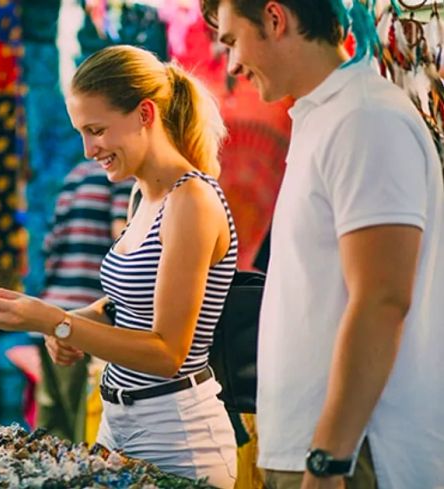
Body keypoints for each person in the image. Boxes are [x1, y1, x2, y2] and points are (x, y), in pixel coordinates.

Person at [201, 1, 444, 488]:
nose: (230, 64)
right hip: (323, 452)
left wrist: (328, 458)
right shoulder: (328, 116)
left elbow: (382, 298)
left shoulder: (365, 119)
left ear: (275, 18)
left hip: (356, 457)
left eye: (231, 40)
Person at [0, 44, 238, 487]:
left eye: (96, 130)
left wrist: (58, 323)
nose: (88, 149)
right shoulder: (142, 194)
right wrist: (52, 319)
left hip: (176, 438)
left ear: (144, 114)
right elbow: (123, 305)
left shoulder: (190, 200)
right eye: (81, 132)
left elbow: (168, 353)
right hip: (119, 423)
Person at [37, 159, 133, 443]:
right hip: (87, 317)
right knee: (82, 434)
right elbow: (124, 237)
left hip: (53, 312)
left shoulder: (74, 175)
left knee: (52, 434)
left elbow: (49, 246)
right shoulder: (121, 178)